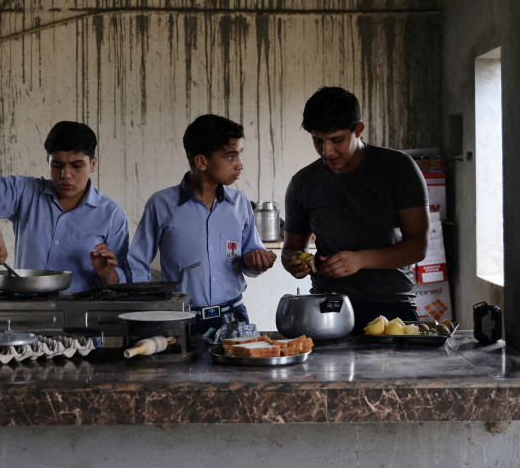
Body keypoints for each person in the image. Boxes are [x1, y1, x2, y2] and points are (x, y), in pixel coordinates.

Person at [281, 86, 430, 329]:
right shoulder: (303, 183)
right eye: (318, 141)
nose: (326, 151)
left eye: (336, 140)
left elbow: (418, 247)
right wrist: (294, 262)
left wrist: (360, 260)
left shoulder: (398, 168)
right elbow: (292, 248)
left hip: (392, 306)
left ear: (358, 130)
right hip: (329, 307)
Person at [128, 114, 276, 339]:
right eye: (230, 156)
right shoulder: (162, 204)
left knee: (235, 375)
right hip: (180, 321)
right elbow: (137, 262)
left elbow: (249, 259)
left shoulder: (240, 204)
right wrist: (150, 310)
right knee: (181, 374)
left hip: (233, 319)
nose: (240, 164)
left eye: (239, 155)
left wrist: (256, 261)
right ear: (201, 162)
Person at [0, 121, 129, 292]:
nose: (66, 174)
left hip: (82, 316)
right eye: (57, 165)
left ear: (93, 164)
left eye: (76, 165)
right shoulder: (24, 192)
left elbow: (124, 286)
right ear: (48, 161)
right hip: (28, 313)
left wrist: (106, 274)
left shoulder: (113, 216)